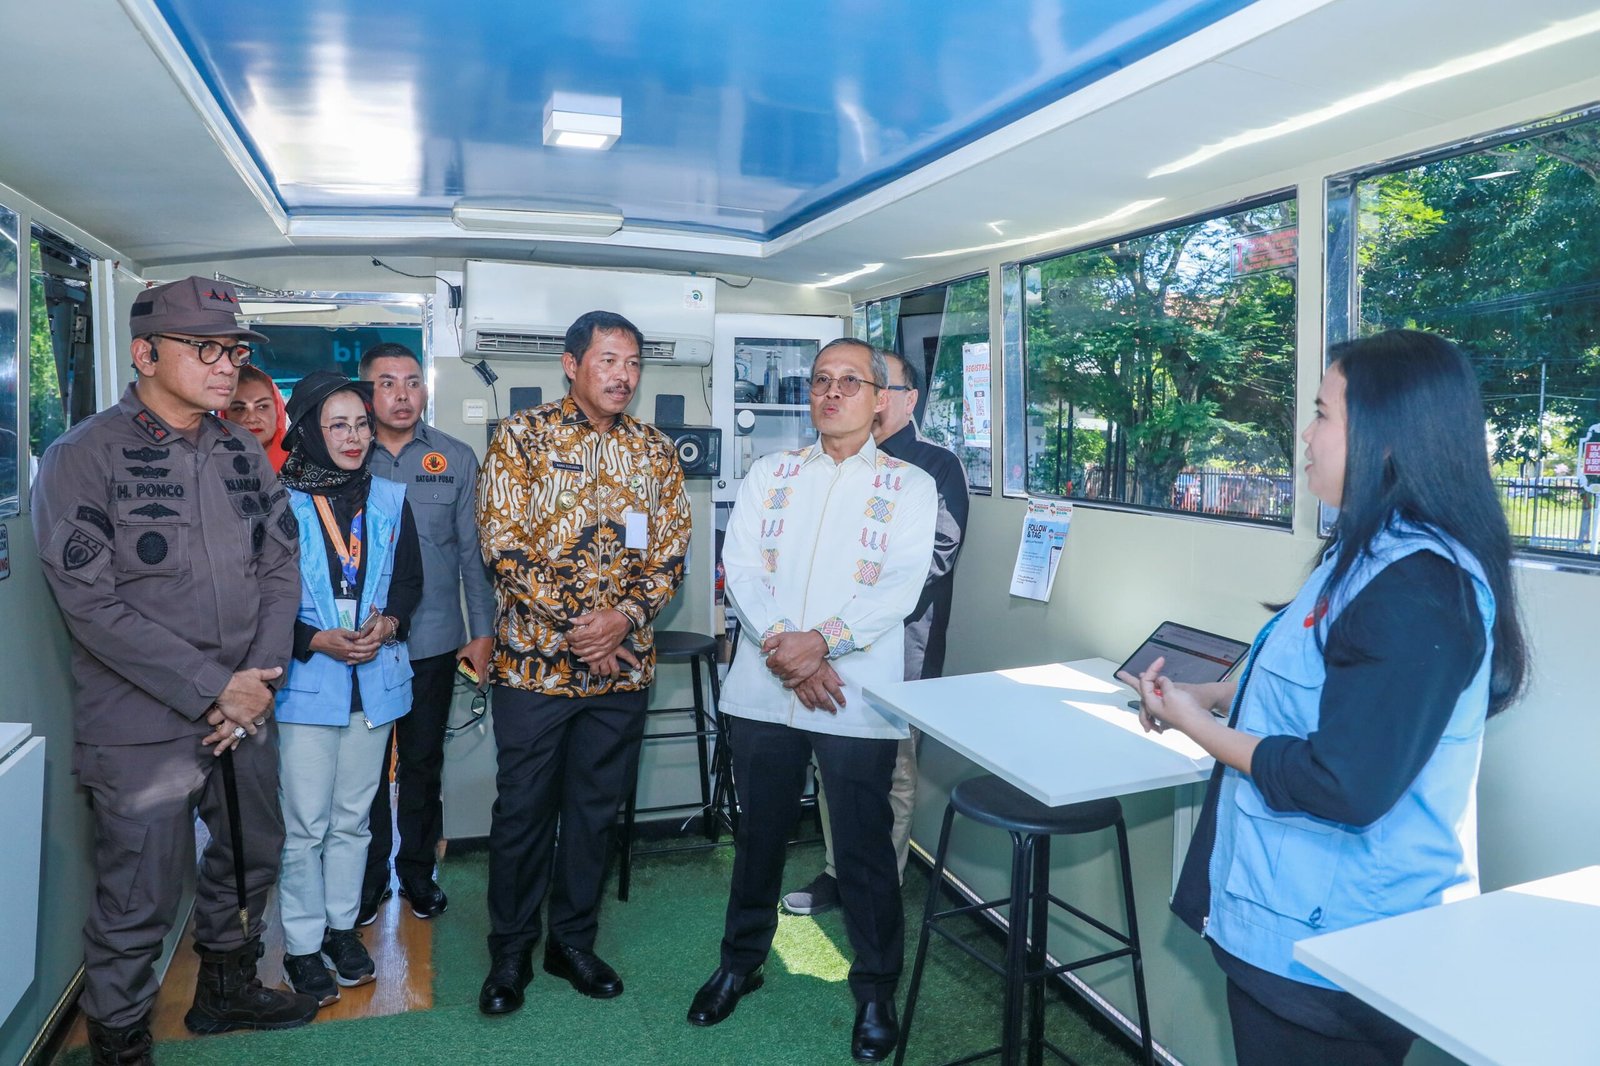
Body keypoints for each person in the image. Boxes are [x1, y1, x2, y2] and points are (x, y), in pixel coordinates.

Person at [1119, 330, 1528, 1066]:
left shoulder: (1419, 585)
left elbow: (1343, 782)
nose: (1305, 435)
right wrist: (1212, 693)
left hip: (1337, 944)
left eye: (1321, 413)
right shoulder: (1362, 552)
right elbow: (1322, 688)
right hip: (1287, 918)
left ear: (1387, 434)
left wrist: (1193, 724)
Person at [30, 276, 316, 1065]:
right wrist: (213, 686)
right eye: (205, 349)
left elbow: (279, 567)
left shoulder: (239, 450)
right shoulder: (83, 456)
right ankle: (119, 1041)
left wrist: (254, 679)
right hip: (142, 722)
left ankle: (225, 990)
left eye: (233, 351)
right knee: (140, 891)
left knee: (252, 852)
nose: (227, 367)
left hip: (246, 706)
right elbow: (90, 606)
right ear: (145, 354)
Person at [687, 338, 937, 1063]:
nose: (831, 392)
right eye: (821, 380)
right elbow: (741, 567)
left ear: (880, 399)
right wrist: (788, 650)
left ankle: (876, 989)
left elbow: (899, 588)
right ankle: (740, 964)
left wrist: (821, 643)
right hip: (765, 688)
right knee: (758, 838)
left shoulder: (908, 486)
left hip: (854, 696)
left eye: (849, 382)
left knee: (863, 849)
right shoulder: (772, 473)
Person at [474, 310, 691, 1014]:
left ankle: (571, 943)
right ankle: (511, 952)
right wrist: (582, 630)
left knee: (596, 812)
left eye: (633, 363)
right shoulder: (521, 437)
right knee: (523, 813)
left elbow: (670, 553)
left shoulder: (655, 451)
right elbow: (503, 548)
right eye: (608, 360)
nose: (623, 375)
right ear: (571, 365)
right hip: (534, 670)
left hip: (621, 670)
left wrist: (621, 620)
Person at [783, 348, 969, 916]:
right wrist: (821, 634)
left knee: (893, 773)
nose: (859, 393)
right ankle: (839, 872)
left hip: (901, 647)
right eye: (832, 381)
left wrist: (855, 618)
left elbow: (935, 558)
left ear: (904, 399)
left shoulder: (933, 467)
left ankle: (878, 884)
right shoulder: (831, 462)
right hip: (822, 648)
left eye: (872, 383)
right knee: (831, 765)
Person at [272, 371, 422, 1007]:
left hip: (374, 681)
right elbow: (260, 598)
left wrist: (388, 623)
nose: (355, 436)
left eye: (361, 423)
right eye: (339, 425)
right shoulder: (279, 502)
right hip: (308, 683)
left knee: (354, 820)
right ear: (309, 430)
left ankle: (340, 930)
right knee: (305, 825)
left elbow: (409, 581)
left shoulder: (388, 498)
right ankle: (301, 946)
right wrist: (313, 639)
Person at [356, 342, 495, 925]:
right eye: (387, 383)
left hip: (432, 641)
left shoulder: (455, 457)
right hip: (360, 646)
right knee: (363, 772)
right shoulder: (345, 453)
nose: (402, 394)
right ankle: (367, 880)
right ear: (366, 391)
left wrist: (482, 633)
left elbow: (472, 557)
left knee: (421, 763)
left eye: (413, 382)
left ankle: (416, 873)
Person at [222, 364, 289, 470]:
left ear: (278, 410)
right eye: (239, 409)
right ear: (224, 416)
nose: (252, 419)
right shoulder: (206, 468)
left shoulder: (303, 465)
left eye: (262, 407)